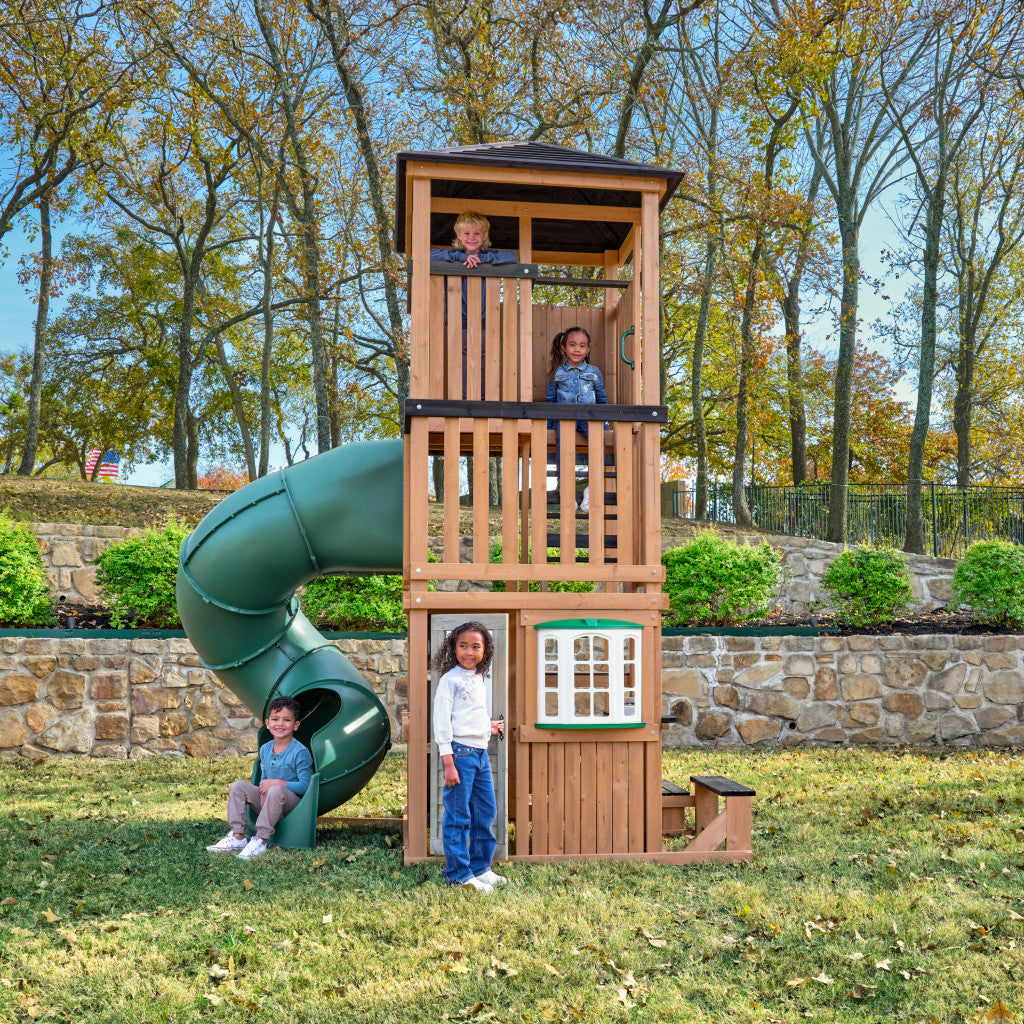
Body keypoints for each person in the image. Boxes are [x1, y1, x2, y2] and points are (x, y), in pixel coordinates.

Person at [432, 621, 507, 893]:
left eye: (476, 646)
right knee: (458, 816)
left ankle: (480, 868)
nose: (469, 652)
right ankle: (458, 874)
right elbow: (442, 722)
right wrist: (448, 762)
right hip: (460, 755)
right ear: (453, 648)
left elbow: (468, 715)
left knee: (485, 812)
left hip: (480, 754)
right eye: (463, 646)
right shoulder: (449, 680)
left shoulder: (479, 677)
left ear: (484, 650)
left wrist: (487, 726)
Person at [206, 695, 313, 860]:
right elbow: (264, 776)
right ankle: (238, 837)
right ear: (267, 723)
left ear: (296, 725)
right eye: (275, 719)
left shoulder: (300, 752)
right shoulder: (265, 748)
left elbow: (306, 786)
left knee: (276, 790)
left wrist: (279, 783)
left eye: (286, 720)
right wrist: (263, 792)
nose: (280, 724)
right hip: (269, 799)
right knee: (238, 787)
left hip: (292, 805)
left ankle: (260, 840)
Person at [430, 211, 517, 397]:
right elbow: (429, 255)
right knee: (460, 359)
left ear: (485, 236)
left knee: (485, 358)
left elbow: (512, 257)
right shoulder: (452, 255)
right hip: (458, 320)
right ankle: (462, 398)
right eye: (467, 233)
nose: (472, 238)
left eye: (477, 233)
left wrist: (483, 261)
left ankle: (484, 398)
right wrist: (461, 259)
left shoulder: (490, 255)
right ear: (459, 236)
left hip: (486, 321)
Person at [545, 326, 607, 511]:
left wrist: (604, 425)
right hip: (565, 418)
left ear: (587, 350)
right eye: (572, 345)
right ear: (564, 347)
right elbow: (550, 401)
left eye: (582, 346)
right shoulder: (556, 373)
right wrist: (549, 427)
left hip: (590, 418)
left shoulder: (594, 372)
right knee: (564, 450)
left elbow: (602, 400)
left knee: (598, 446)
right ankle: (567, 491)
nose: (577, 350)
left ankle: (592, 490)